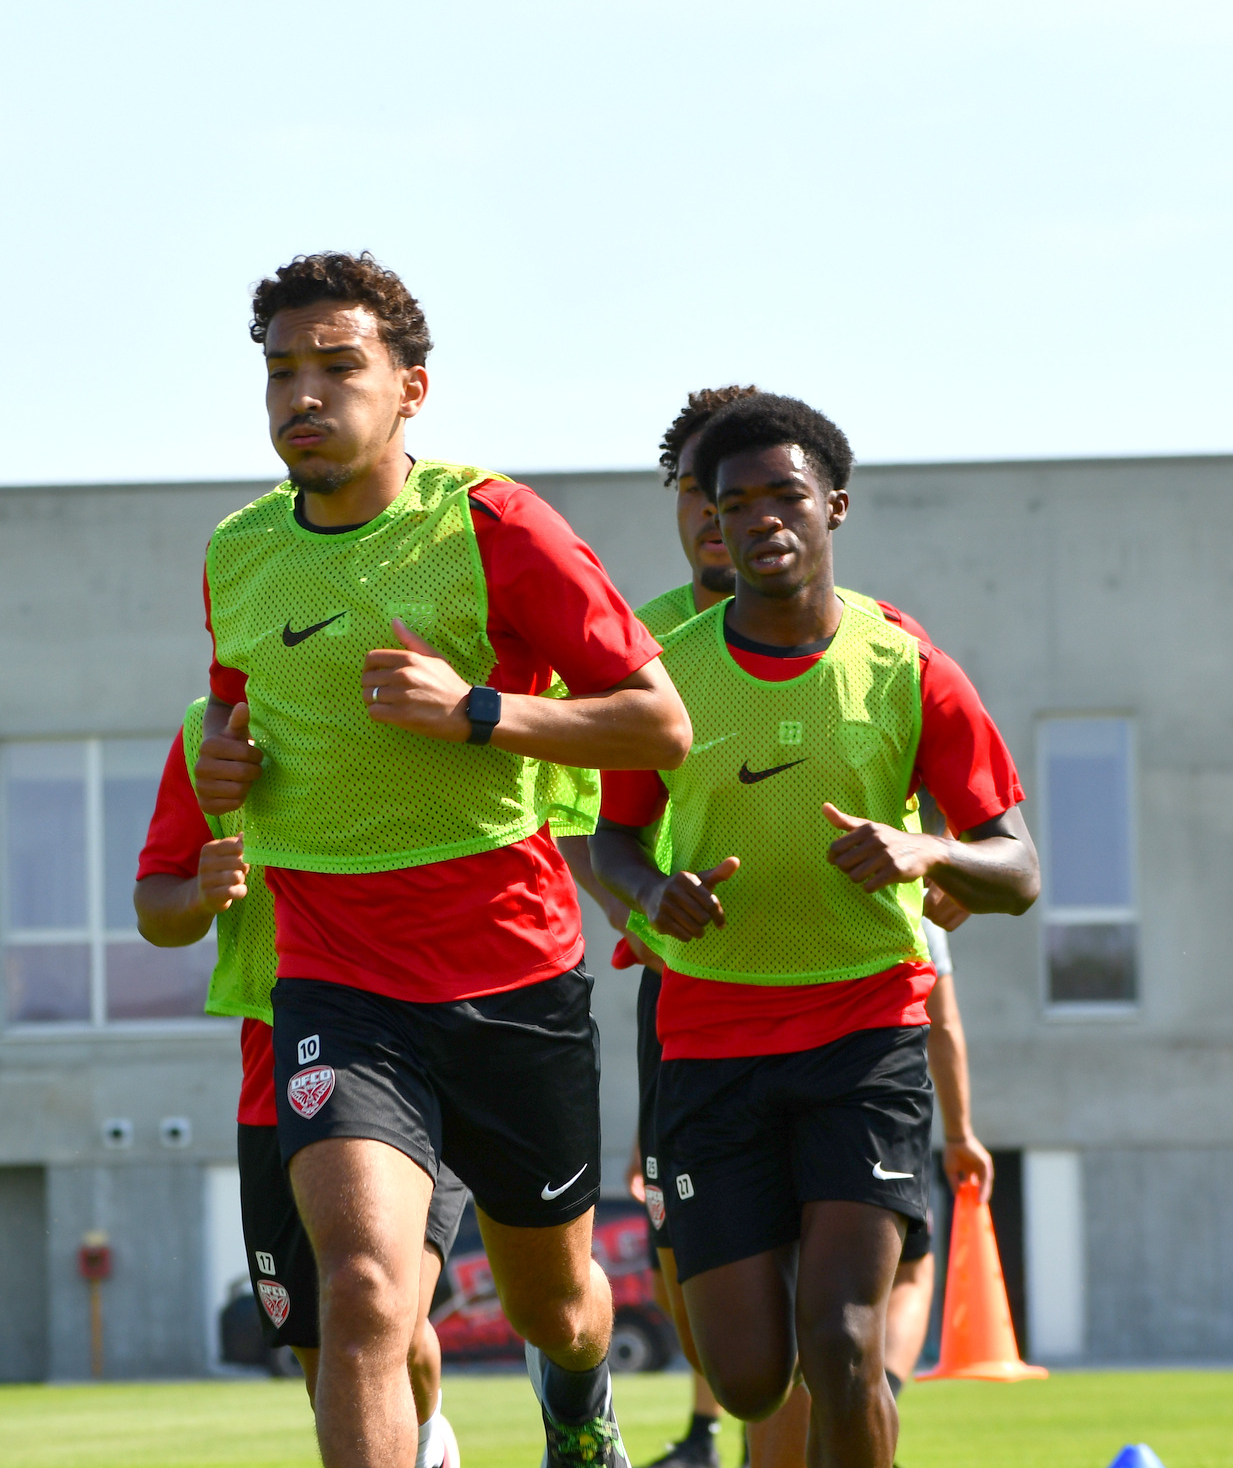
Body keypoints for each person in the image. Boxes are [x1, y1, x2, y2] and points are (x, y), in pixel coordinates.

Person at [192, 251, 692, 1468]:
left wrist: (475, 710)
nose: (303, 396)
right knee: (364, 1291)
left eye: (336, 366)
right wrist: (224, 762)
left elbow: (658, 723)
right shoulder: (238, 552)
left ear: (411, 388)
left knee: (553, 1305)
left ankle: (578, 1400)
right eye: (280, 372)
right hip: (336, 978)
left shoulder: (494, 524)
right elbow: (235, 711)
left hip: (509, 975)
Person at [590, 392, 1038, 1468]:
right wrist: (652, 893)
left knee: (841, 1342)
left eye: (784, 494)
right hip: (709, 1042)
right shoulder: (666, 676)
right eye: (733, 501)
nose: (760, 519)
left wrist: (928, 850)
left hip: (863, 1037)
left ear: (833, 505)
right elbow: (612, 840)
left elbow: (1017, 867)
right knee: (750, 1375)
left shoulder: (907, 667)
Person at [133, 701, 464, 1468]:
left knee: (382, 1312)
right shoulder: (210, 730)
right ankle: (421, 1440)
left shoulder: (415, 701)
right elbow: (154, 906)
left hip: (407, 1051)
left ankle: (431, 1437)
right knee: (327, 1358)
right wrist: (197, 895)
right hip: (275, 1070)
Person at [745, 906, 994, 1468]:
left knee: (799, 1316)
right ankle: (865, 1412)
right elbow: (943, 1021)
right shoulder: (904, 885)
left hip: (751, 1093)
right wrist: (960, 1134)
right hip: (863, 1095)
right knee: (896, 1283)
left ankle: (859, 1410)